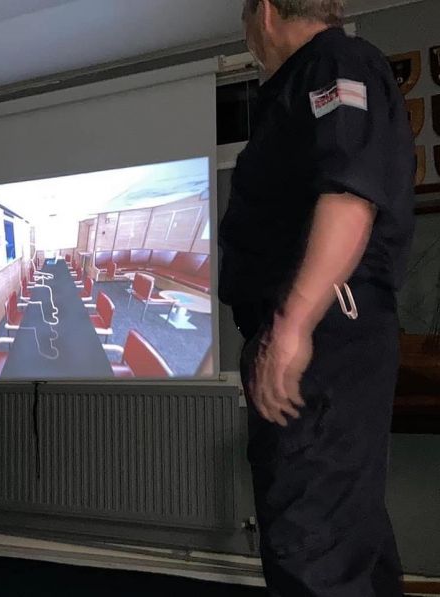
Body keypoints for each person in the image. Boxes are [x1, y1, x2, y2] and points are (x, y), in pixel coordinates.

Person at [219, 0, 415, 595]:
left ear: (265, 13)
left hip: (325, 327)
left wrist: (293, 325)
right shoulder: (308, 81)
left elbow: (350, 197)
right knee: (344, 533)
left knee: (311, 541)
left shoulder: (335, 62)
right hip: (325, 328)